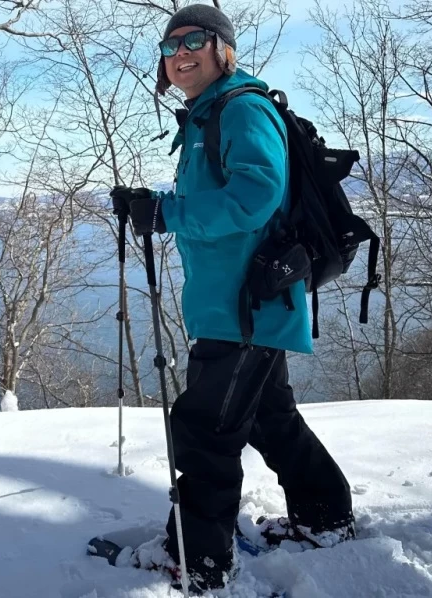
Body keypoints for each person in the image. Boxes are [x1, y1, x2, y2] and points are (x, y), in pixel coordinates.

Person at [110, 4, 355, 593]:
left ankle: (199, 561)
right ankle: (326, 518)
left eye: (194, 39)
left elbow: (256, 195)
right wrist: (154, 200)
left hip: (248, 305)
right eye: (169, 47)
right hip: (240, 302)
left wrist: (167, 213)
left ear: (223, 49)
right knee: (269, 419)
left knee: (203, 429)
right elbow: (225, 195)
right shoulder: (206, 116)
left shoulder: (241, 107)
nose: (179, 52)